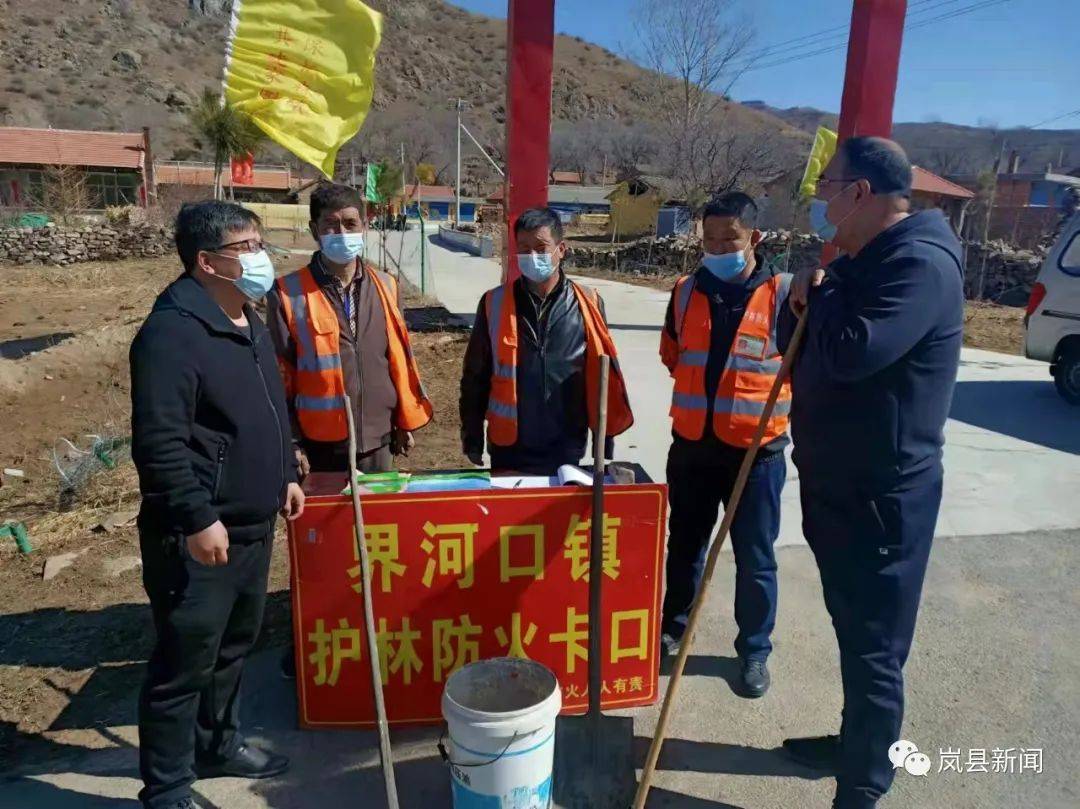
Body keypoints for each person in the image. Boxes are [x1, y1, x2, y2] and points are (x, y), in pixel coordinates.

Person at [777, 137, 964, 808]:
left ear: (860, 193)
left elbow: (854, 349)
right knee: (853, 632)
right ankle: (857, 741)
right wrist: (804, 293)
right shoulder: (862, 259)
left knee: (875, 649)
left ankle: (863, 783)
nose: (821, 203)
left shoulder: (919, 265)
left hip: (883, 497)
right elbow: (795, 340)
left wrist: (816, 296)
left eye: (827, 189)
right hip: (839, 486)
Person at [130, 201, 305, 809]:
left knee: (233, 648)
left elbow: (267, 407)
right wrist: (197, 516)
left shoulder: (247, 319)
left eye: (261, 242)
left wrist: (284, 470)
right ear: (206, 261)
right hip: (200, 534)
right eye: (246, 246)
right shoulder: (172, 333)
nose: (260, 256)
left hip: (254, 526)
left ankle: (218, 744)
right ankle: (168, 786)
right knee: (184, 663)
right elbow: (160, 441)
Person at [658, 192, 790, 698]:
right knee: (685, 546)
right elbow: (673, 356)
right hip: (692, 447)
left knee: (755, 557)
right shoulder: (685, 291)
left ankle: (754, 649)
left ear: (753, 238)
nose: (717, 248)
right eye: (709, 239)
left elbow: (801, 365)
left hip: (756, 455)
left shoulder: (783, 295)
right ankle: (674, 627)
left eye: (728, 239)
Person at [267, 182, 432, 479]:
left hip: (379, 441)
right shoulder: (287, 294)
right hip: (321, 445)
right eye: (330, 224)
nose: (342, 233)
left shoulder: (387, 286)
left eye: (350, 223)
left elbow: (396, 359)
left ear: (365, 226)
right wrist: (292, 440)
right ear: (315, 230)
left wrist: (400, 421)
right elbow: (279, 377)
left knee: (379, 525)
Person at [460, 206, 633, 474]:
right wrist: (472, 436)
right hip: (510, 447)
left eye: (541, 248)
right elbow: (475, 376)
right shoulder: (493, 303)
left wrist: (605, 439)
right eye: (524, 248)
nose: (532, 256)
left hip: (566, 446)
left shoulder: (589, 303)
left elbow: (603, 375)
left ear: (561, 250)